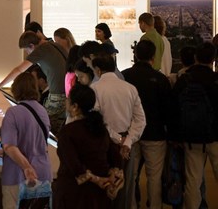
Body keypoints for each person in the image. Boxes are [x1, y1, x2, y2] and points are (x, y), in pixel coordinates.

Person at [53, 84, 124, 209]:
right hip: (99, 194)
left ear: (75, 107)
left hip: (75, 192)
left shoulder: (68, 131)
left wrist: (96, 179)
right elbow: (115, 157)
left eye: (68, 99)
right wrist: (111, 179)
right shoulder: (101, 129)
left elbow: (73, 164)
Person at [121, 40, 172, 209]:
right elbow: (167, 109)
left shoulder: (125, 76)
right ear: (153, 56)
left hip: (130, 135)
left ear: (135, 55)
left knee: (131, 175)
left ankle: (132, 205)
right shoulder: (160, 79)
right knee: (154, 177)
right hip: (156, 134)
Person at [90, 54, 146, 209]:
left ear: (98, 70)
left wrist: (116, 138)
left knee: (105, 186)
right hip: (127, 145)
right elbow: (140, 120)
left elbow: (96, 120)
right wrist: (127, 141)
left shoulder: (95, 89)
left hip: (104, 143)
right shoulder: (129, 88)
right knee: (125, 187)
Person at [0, 31, 67, 135]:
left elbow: (19, 70)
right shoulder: (54, 45)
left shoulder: (40, 50)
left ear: (31, 45)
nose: (28, 54)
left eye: (27, 50)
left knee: (43, 124)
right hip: (67, 92)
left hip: (58, 95)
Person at [170, 42, 218, 209]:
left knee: (193, 180)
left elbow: (174, 109)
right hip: (215, 137)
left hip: (191, 138)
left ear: (196, 58)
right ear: (213, 60)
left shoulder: (185, 79)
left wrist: (175, 136)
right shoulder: (215, 80)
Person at [0, 73, 52, 209]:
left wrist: (27, 167)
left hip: (18, 175)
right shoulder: (43, 111)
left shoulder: (13, 112)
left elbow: (9, 146)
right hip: (42, 173)